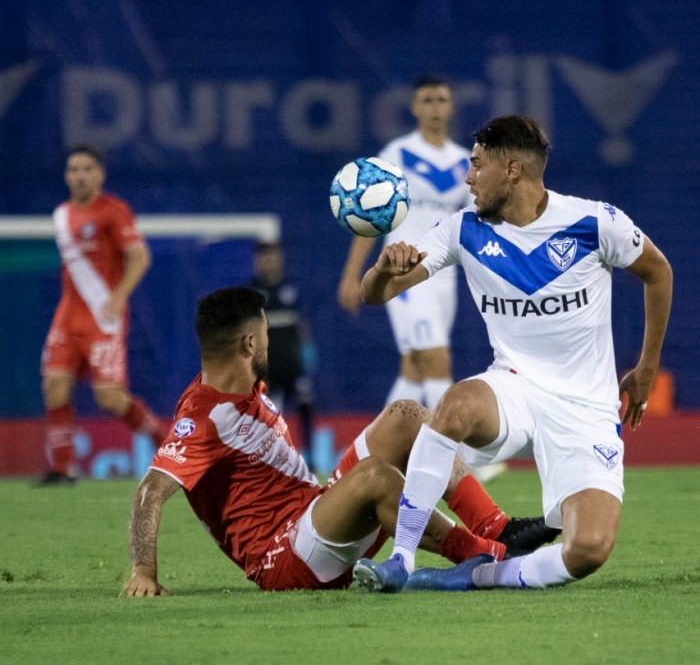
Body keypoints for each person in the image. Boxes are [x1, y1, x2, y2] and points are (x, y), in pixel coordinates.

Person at [352, 115, 673, 593]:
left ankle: (479, 575)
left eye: (476, 166)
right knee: (454, 405)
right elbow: (375, 294)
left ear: (513, 170)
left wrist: (646, 369)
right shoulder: (462, 230)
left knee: (587, 550)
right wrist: (381, 270)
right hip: (515, 388)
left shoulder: (594, 222)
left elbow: (659, 272)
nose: (467, 179)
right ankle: (401, 557)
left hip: (585, 410)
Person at [120, 286, 558, 596]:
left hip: (315, 517)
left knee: (406, 416)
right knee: (375, 477)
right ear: (250, 343)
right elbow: (151, 491)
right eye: (267, 333)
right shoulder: (204, 417)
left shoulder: (244, 390)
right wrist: (144, 571)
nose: (272, 341)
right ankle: (490, 555)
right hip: (285, 558)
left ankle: (496, 527)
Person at [337, 75, 472, 412]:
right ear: (414, 107)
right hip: (405, 273)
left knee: (414, 369)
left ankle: (373, 454)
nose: (435, 107)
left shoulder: (465, 162)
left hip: (444, 276)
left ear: (451, 106)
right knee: (437, 360)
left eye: (441, 99)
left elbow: (474, 221)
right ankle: (455, 456)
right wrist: (351, 276)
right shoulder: (397, 154)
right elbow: (368, 216)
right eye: (427, 100)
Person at [38, 145, 167, 485]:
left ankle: (166, 445)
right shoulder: (62, 215)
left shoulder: (113, 211)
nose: (79, 176)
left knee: (109, 397)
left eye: (86, 169)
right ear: (66, 176)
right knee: (54, 386)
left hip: (102, 317)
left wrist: (118, 296)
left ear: (100, 174)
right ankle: (64, 469)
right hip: (67, 317)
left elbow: (140, 257)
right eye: (73, 169)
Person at [247, 239, 316, 467]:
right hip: (268, 368)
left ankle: (311, 457)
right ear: (257, 261)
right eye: (264, 256)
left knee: (306, 404)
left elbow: (303, 324)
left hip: (294, 366)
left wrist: (308, 353)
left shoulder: (293, 289)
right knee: (269, 414)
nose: (269, 260)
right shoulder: (251, 291)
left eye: (273, 255)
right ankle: (269, 460)